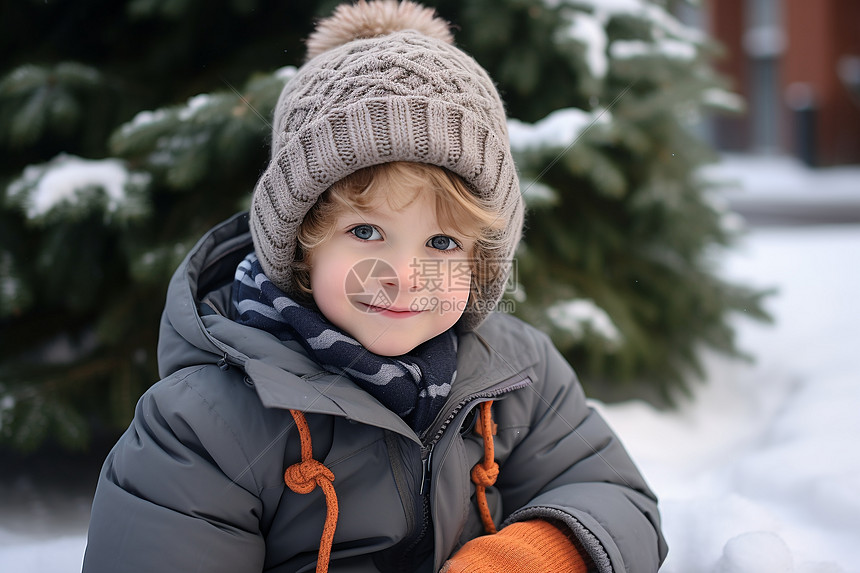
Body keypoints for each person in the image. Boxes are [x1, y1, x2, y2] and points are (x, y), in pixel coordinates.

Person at [82, 1, 667, 572]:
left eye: (441, 243)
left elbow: (613, 497)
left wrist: (531, 555)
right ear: (302, 245)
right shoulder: (206, 422)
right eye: (366, 231)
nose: (404, 275)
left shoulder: (519, 374)